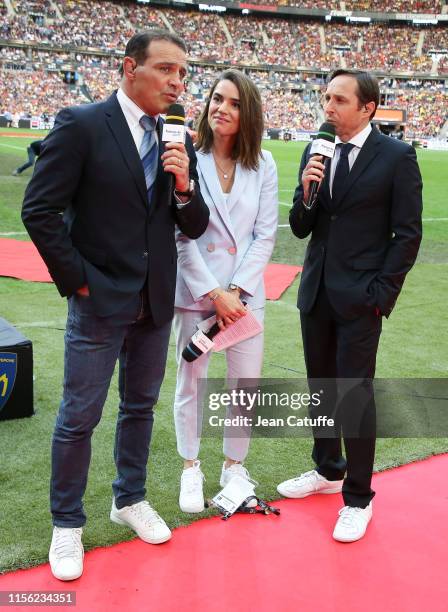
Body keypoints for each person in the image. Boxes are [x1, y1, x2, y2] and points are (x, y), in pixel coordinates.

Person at [21, 30, 209, 580]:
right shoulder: (82, 124)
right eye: (167, 70)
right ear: (131, 68)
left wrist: (183, 185)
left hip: (156, 301)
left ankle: (129, 497)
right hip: (99, 301)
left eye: (182, 73)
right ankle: (67, 524)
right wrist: (79, 280)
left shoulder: (178, 136)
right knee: (79, 417)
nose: (177, 82)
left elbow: (192, 225)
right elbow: (40, 209)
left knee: (139, 408)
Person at [277, 69, 422, 542]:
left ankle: (358, 497)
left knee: (354, 394)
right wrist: (305, 189)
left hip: (362, 300)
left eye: (339, 99)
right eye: (325, 97)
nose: (328, 106)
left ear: (367, 108)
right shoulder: (316, 150)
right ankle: (328, 468)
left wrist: (381, 295)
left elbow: (407, 234)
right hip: (315, 292)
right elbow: (302, 226)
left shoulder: (397, 156)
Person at [173, 69, 278, 513]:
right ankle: (191, 466)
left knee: (244, 387)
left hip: (245, 300)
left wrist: (235, 292)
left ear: (248, 112)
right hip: (199, 295)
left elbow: (265, 235)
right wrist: (217, 294)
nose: (223, 108)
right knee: (191, 385)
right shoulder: (186, 155)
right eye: (218, 99)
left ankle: (233, 465)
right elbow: (181, 235)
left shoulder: (265, 163)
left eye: (235, 103)